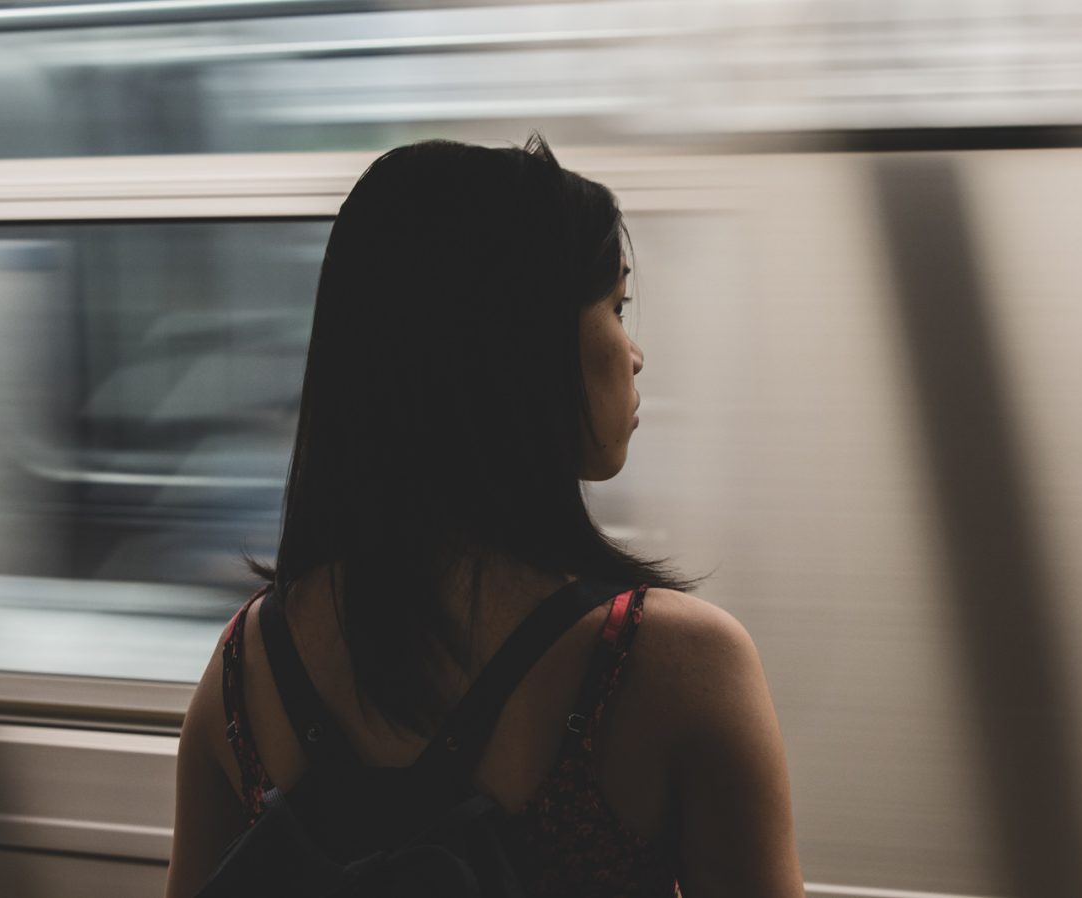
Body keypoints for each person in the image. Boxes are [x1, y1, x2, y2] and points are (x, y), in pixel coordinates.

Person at [164, 135, 804, 898]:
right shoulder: (669, 666)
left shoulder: (245, 671)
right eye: (615, 306)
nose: (634, 354)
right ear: (521, 341)